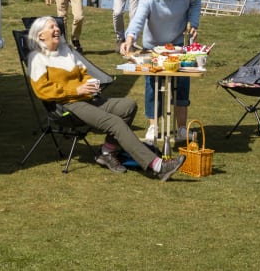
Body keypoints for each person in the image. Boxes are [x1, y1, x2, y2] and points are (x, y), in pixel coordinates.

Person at [26, 17, 186, 180]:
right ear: (40, 36)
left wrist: (90, 83)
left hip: (85, 99)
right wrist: (76, 89)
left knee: (128, 106)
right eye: (51, 27)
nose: (57, 29)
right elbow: (42, 91)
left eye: (56, 26)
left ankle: (107, 152)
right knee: (115, 123)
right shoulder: (37, 58)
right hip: (66, 106)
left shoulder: (66, 51)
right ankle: (158, 165)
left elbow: (83, 74)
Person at [119, 0, 201, 144]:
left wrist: (193, 23)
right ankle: (153, 127)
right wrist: (130, 38)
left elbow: (196, 3)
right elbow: (138, 20)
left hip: (177, 46)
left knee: (182, 86)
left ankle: (181, 129)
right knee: (152, 87)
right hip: (153, 47)